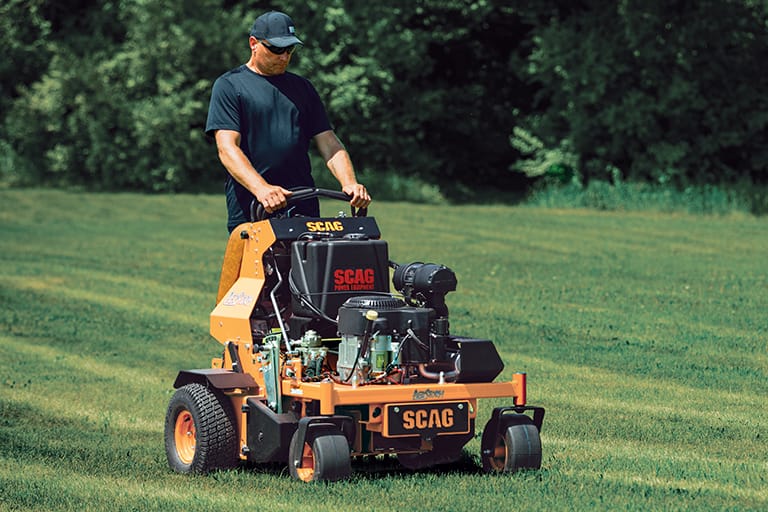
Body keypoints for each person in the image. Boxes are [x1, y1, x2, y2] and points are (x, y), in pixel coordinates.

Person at [205, 10, 371, 232]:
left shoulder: (303, 88)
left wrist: (349, 183)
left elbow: (329, 143)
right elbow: (227, 149)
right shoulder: (230, 85)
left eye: (289, 49)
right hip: (252, 207)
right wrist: (262, 189)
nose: (284, 56)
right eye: (276, 49)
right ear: (253, 43)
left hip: (303, 207)